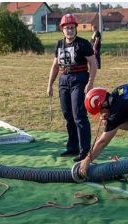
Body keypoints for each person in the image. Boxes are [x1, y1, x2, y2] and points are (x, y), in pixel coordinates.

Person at [47, 14, 97, 163]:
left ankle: (85, 150)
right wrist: (49, 84)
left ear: (76, 29)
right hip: (63, 81)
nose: (69, 30)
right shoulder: (59, 45)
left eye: (71, 28)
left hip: (79, 80)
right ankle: (72, 147)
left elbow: (93, 65)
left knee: (79, 116)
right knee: (68, 115)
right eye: (66, 28)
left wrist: (90, 82)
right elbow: (55, 66)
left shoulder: (83, 44)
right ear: (62, 30)